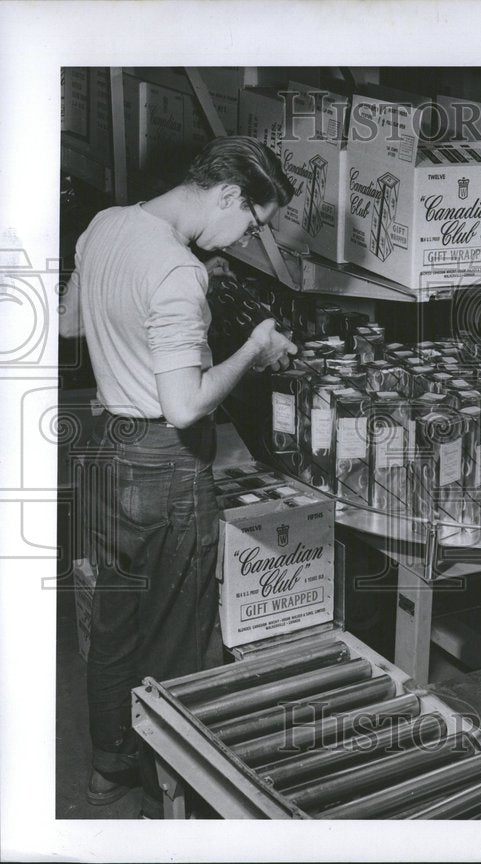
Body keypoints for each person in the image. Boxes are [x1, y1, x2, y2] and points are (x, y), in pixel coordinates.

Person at [59, 136, 297, 817]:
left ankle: (109, 773)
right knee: (178, 640)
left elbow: (73, 324)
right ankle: (179, 800)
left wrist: (145, 327)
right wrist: (252, 348)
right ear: (227, 195)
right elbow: (186, 403)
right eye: (251, 223)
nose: (244, 238)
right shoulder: (176, 271)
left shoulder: (108, 223)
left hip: (106, 451)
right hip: (164, 466)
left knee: (112, 627)